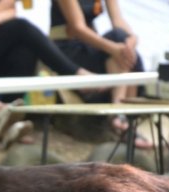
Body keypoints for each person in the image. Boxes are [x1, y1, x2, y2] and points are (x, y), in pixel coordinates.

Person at [0, 0, 95, 101]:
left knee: (25, 50)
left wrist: (5, 13)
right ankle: (75, 75)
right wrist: (10, 7)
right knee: (21, 27)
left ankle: (11, 112)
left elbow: (17, 11)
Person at [50, 0, 151, 147]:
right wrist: (114, 48)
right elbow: (78, 27)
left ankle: (124, 117)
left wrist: (131, 39)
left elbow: (118, 21)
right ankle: (121, 115)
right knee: (120, 48)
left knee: (123, 44)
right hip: (68, 47)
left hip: (92, 45)